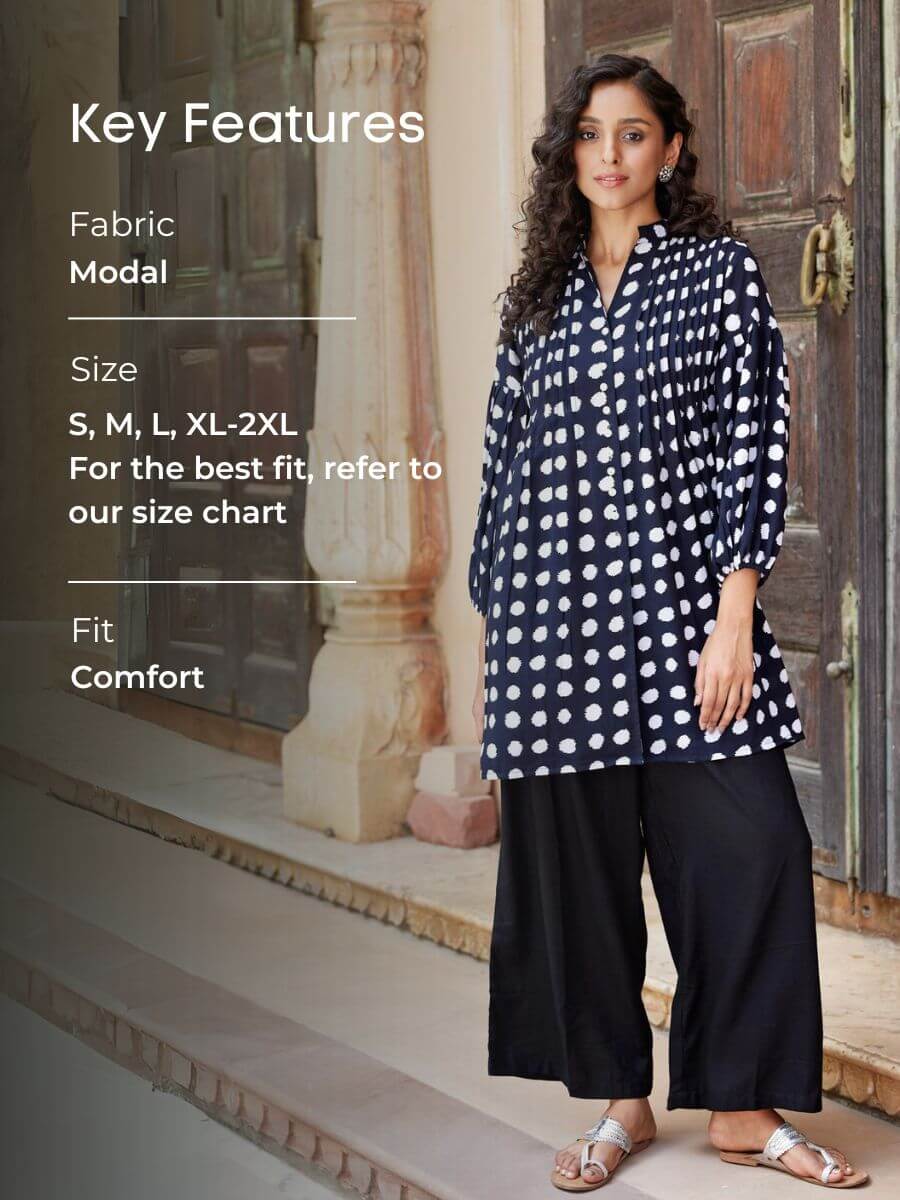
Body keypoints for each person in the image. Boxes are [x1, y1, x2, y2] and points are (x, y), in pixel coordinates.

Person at [467, 54, 868, 1192]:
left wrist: (737, 609)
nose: (610, 155)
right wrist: (500, 625)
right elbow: (502, 462)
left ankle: (742, 1108)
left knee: (753, 846)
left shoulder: (715, 274)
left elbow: (756, 435)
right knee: (580, 874)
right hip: (552, 624)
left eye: (633, 133)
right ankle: (621, 1104)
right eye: (591, 134)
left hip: (689, 615)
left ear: (672, 149)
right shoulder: (539, 295)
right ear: (569, 153)